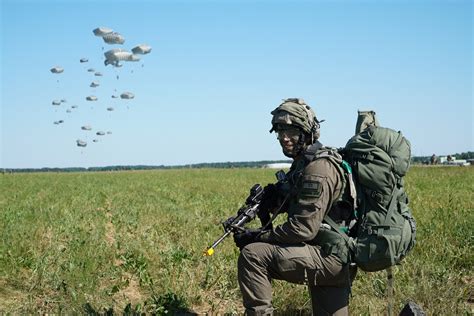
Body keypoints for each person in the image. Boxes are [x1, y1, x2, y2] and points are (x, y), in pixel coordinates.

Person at [233, 98, 355, 315]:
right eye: (280, 131)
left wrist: (258, 236)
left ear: (307, 132)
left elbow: (302, 228)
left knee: (253, 255)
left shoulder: (318, 169)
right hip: (334, 252)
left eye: (291, 132)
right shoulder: (304, 163)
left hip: (330, 256)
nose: (284, 138)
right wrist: (273, 197)